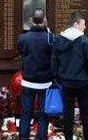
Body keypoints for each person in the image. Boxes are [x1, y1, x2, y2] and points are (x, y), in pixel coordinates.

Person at [52, 12, 88, 140]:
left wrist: (57, 77)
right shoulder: (84, 41)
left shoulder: (59, 39)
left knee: (68, 115)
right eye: (83, 24)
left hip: (66, 83)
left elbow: (54, 60)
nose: (85, 27)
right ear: (75, 24)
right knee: (85, 116)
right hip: (84, 84)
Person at [18, 9, 54, 140]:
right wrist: (48, 32)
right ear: (44, 20)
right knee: (43, 114)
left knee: (26, 113)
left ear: (32, 20)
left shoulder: (23, 38)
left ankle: (23, 137)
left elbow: (22, 54)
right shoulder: (50, 38)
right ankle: (41, 137)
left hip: (27, 81)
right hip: (45, 82)